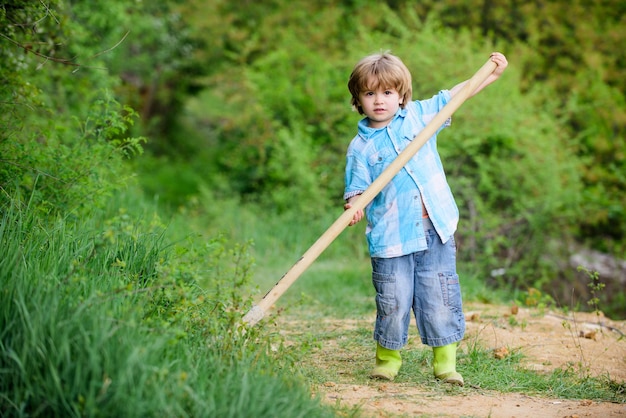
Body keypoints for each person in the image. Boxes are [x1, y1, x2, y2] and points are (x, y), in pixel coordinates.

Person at [343, 51, 508, 385]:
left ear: (401, 95)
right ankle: (388, 360)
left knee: (439, 296)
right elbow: (356, 189)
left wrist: (492, 74)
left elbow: (458, 94)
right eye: (370, 93)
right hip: (392, 237)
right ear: (358, 100)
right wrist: (355, 204)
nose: (379, 101)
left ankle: (446, 365)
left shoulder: (419, 117)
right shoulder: (360, 147)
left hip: (436, 227)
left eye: (387, 93)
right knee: (394, 298)